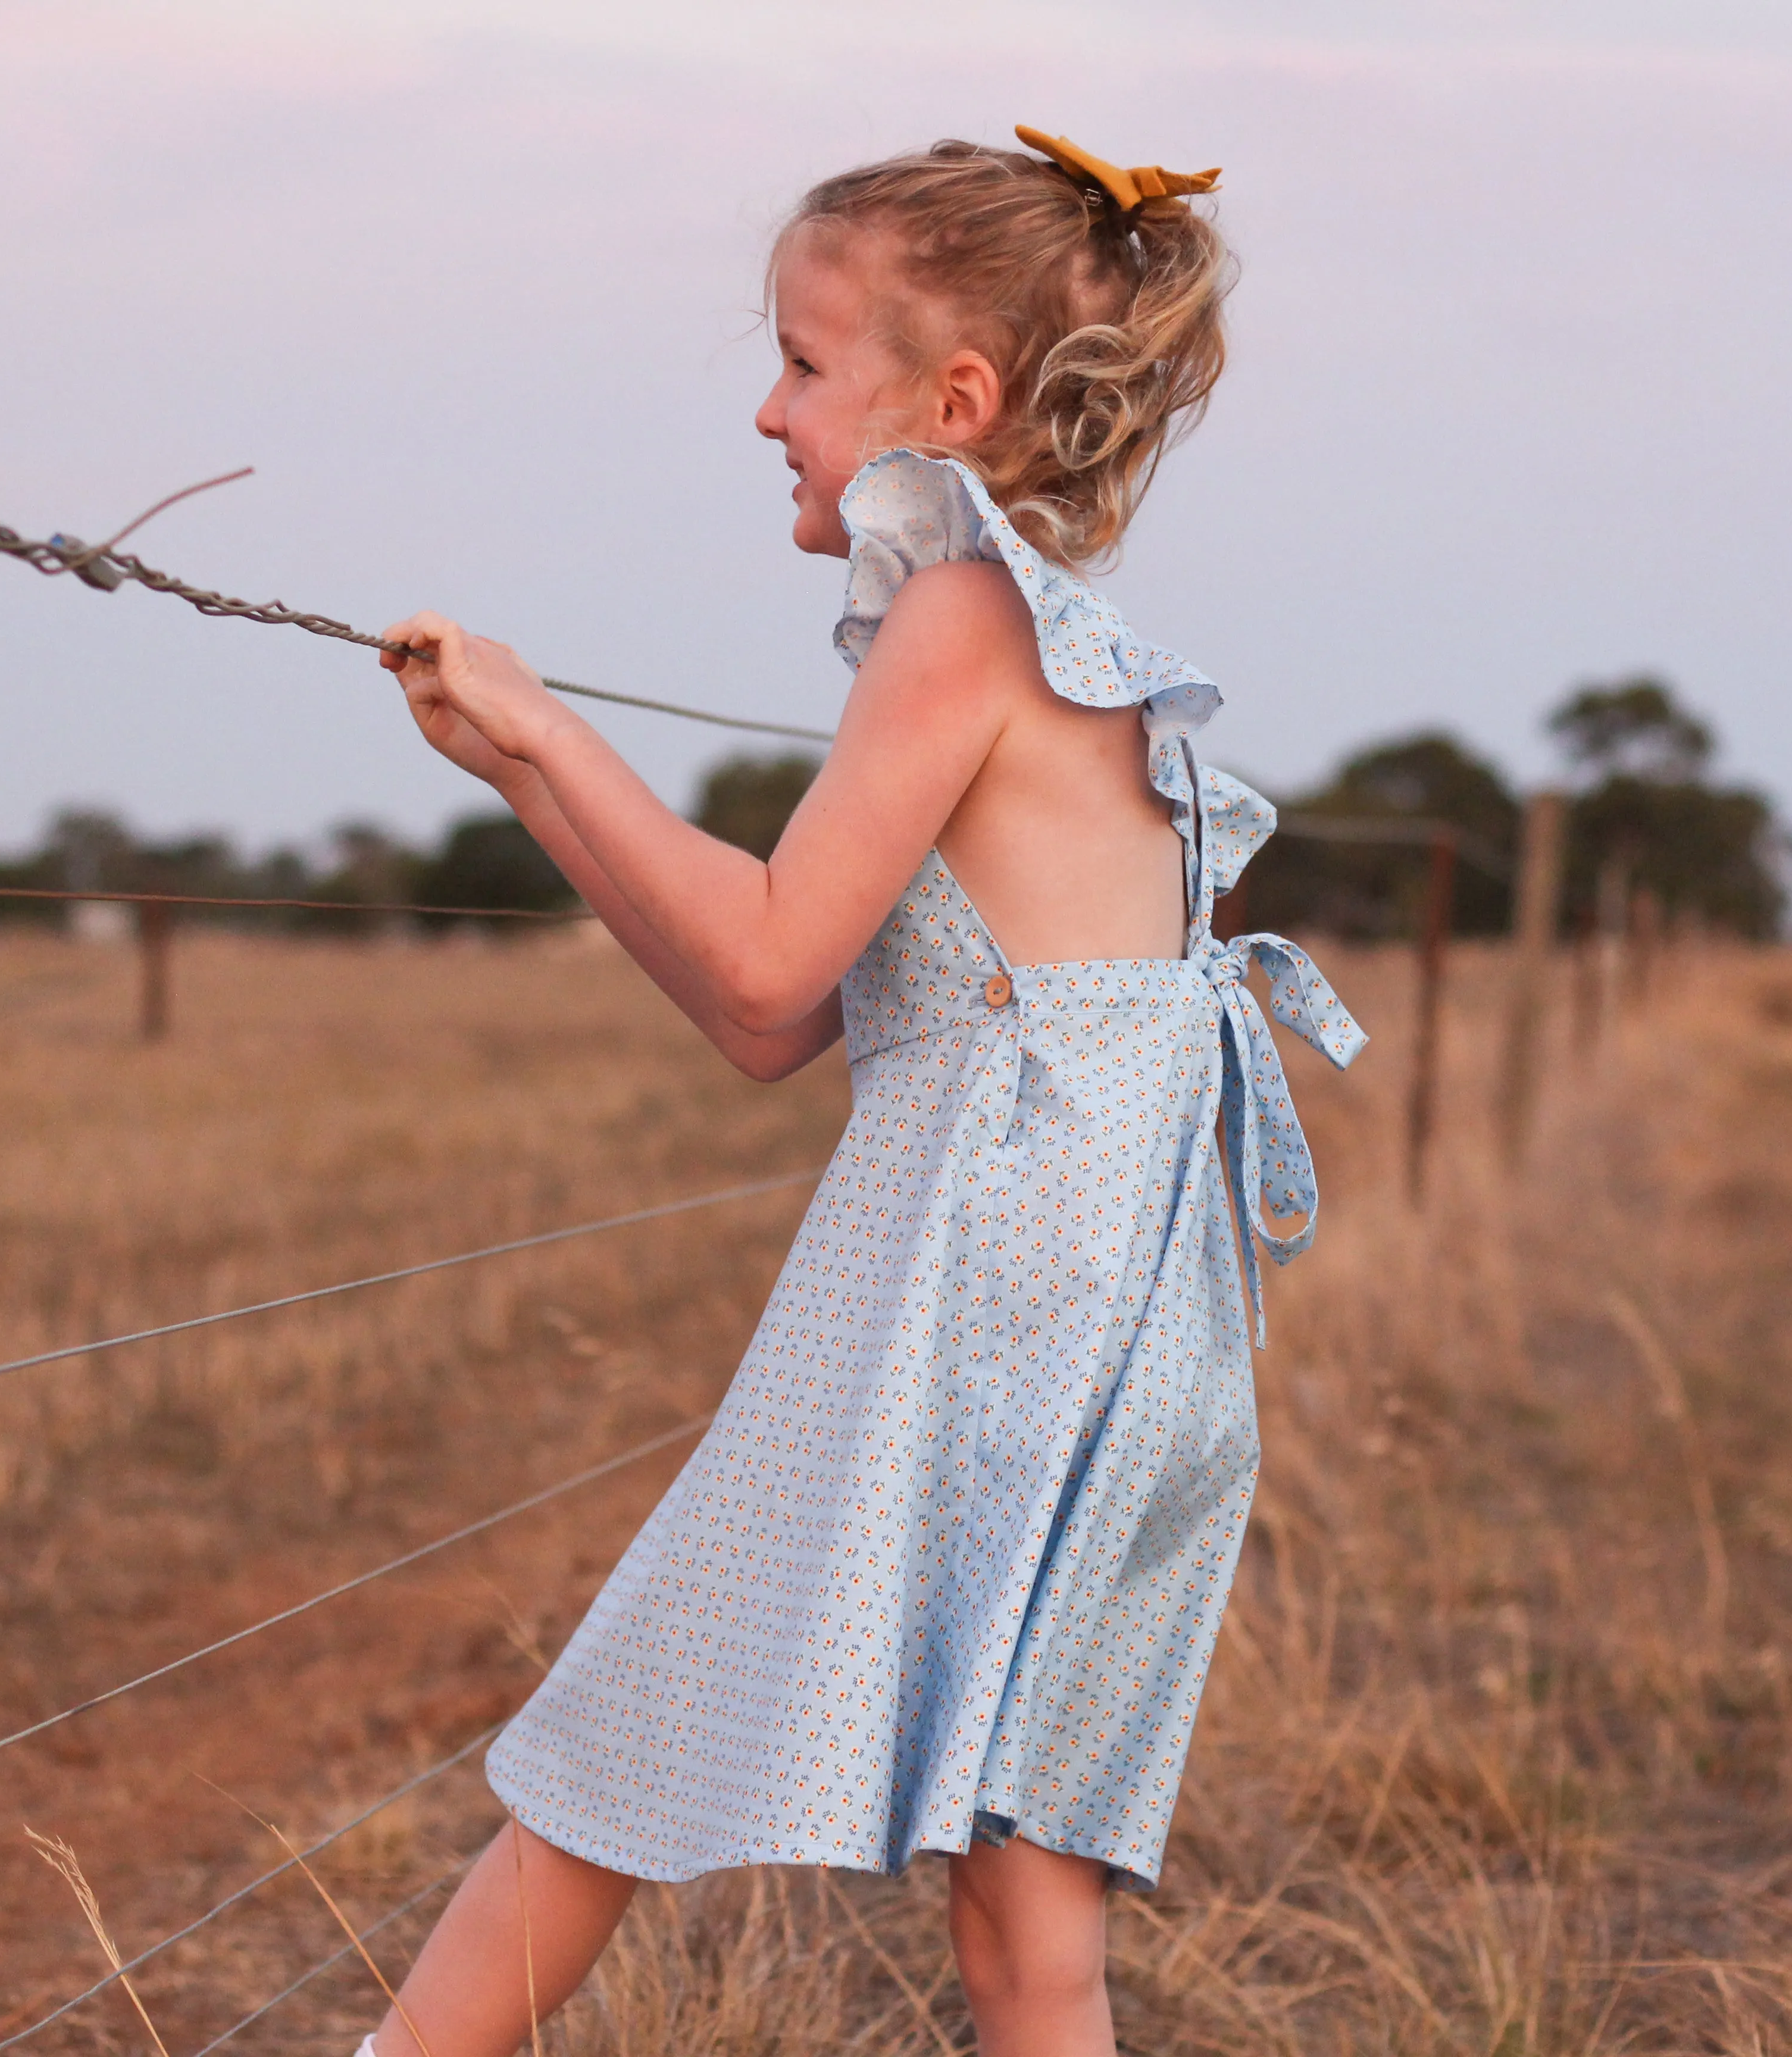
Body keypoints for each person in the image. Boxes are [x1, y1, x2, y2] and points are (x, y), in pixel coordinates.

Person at [367, 127, 1365, 2057]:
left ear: (956, 401)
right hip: (1103, 1324)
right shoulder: (1058, 638)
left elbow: (759, 963)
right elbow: (775, 1020)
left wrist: (551, 722)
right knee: (1022, 1913)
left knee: (630, 1728)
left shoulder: (960, 625)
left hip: (981, 1307)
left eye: (807, 365)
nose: (768, 407)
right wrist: (528, 771)